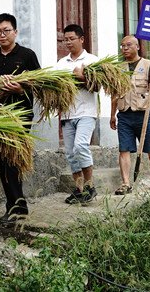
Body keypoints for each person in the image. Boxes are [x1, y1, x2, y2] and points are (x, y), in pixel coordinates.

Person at [0, 13, 41, 223]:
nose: (2, 35)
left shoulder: (27, 55)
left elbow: (41, 86)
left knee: (12, 160)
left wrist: (21, 89)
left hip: (19, 116)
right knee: (2, 161)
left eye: (6, 30)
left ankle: (15, 207)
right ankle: (17, 205)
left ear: (15, 31)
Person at [110, 35, 150, 194]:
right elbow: (114, 93)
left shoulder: (147, 64)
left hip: (144, 113)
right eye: (122, 46)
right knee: (124, 149)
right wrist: (112, 115)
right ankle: (126, 183)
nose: (125, 48)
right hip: (124, 114)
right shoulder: (118, 68)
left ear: (137, 47)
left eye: (128, 45)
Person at [55, 24, 99, 204]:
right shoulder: (60, 64)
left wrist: (81, 77)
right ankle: (79, 189)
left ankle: (90, 185)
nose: (68, 42)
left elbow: (97, 86)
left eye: (72, 39)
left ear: (81, 39)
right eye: (65, 39)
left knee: (81, 146)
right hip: (67, 114)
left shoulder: (92, 61)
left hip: (86, 112)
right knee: (71, 154)